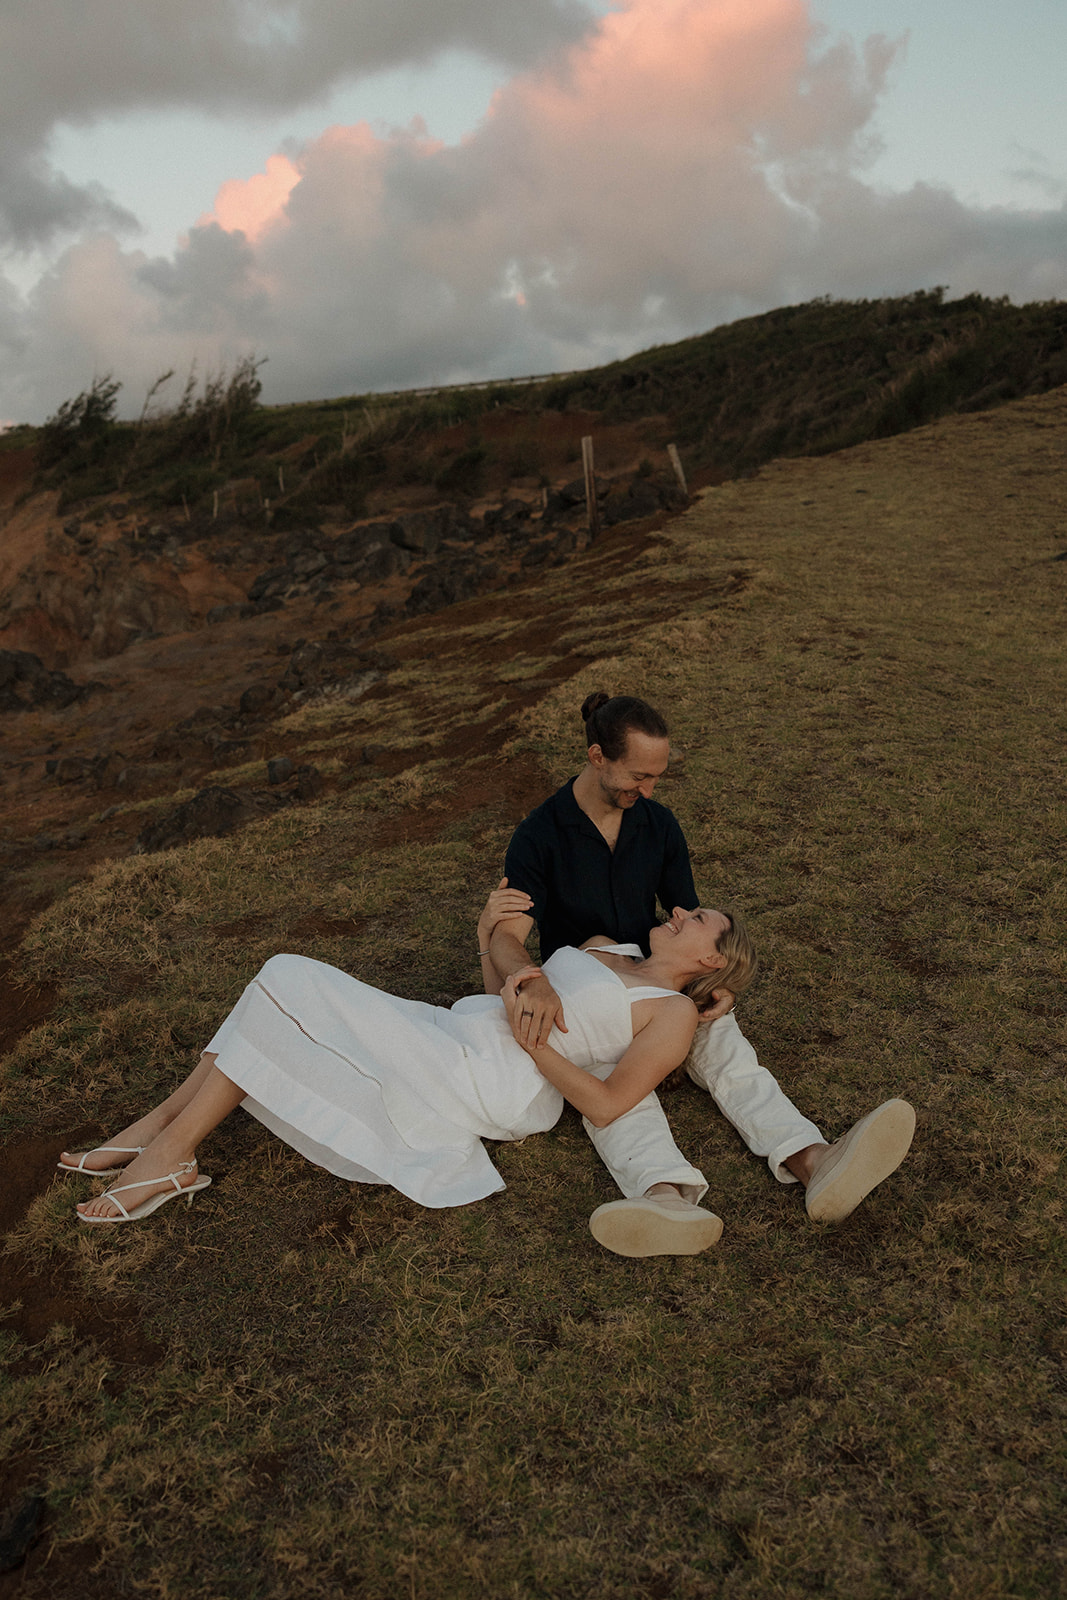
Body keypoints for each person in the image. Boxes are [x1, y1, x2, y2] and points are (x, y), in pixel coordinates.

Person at [57, 898, 756, 1246]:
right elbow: (504, 994)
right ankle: (162, 1133)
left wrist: (536, 1048)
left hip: (500, 1078)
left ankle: (169, 1149)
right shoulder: (608, 947)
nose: (677, 911)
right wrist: (487, 939)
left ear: (711, 961)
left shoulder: (670, 1013)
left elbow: (606, 1105)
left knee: (286, 977)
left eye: (696, 918)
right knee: (278, 989)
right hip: (457, 1029)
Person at [489, 691, 916, 1248]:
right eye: (639, 777)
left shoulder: (659, 826)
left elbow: (687, 919)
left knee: (721, 1039)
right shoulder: (539, 834)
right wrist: (536, 980)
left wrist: (715, 986)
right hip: (583, 987)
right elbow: (506, 937)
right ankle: (663, 1195)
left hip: (651, 970)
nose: (648, 791)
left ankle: (813, 1160)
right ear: (597, 757)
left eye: (656, 777)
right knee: (621, 1082)